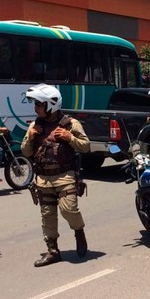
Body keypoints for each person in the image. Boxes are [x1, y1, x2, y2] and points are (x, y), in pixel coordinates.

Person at [21, 83, 90, 267]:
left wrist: (70, 137)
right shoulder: (36, 125)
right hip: (42, 178)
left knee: (69, 210)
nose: (35, 108)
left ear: (51, 104)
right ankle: (53, 251)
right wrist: (31, 137)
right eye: (35, 104)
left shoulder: (70, 124)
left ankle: (79, 233)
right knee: (47, 215)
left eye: (39, 104)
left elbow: (86, 146)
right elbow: (26, 152)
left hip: (64, 175)